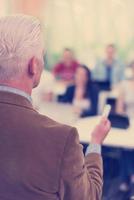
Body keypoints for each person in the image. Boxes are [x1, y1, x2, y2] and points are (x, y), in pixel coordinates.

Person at [0, 15, 111, 200]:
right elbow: (89, 196)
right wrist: (95, 143)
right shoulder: (60, 139)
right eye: (42, 56)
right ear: (33, 66)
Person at [116, 61, 134, 199]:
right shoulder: (124, 85)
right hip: (128, 123)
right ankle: (128, 178)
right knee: (125, 147)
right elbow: (119, 108)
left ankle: (128, 178)